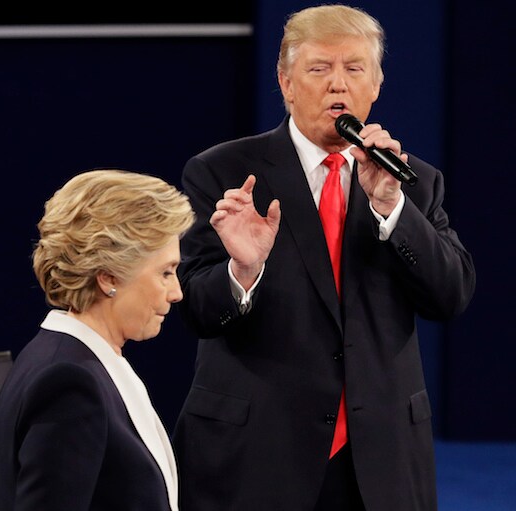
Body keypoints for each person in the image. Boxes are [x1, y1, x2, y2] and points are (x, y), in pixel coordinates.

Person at [172, 4, 475, 511]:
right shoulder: (222, 172)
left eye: (354, 69)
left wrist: (392, 208)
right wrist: (242, 270)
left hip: (380, 460)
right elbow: (196, 310)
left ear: (375, 84)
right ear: (286, 82)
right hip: (257, 455)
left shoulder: (412, 181)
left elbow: (451, 295)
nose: (339, 86)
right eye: (319, 69)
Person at [0, 169, 195, 511]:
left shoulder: (81, 360)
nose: (176, 293)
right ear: (108, 277)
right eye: (165, 272)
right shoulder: (70, 382)